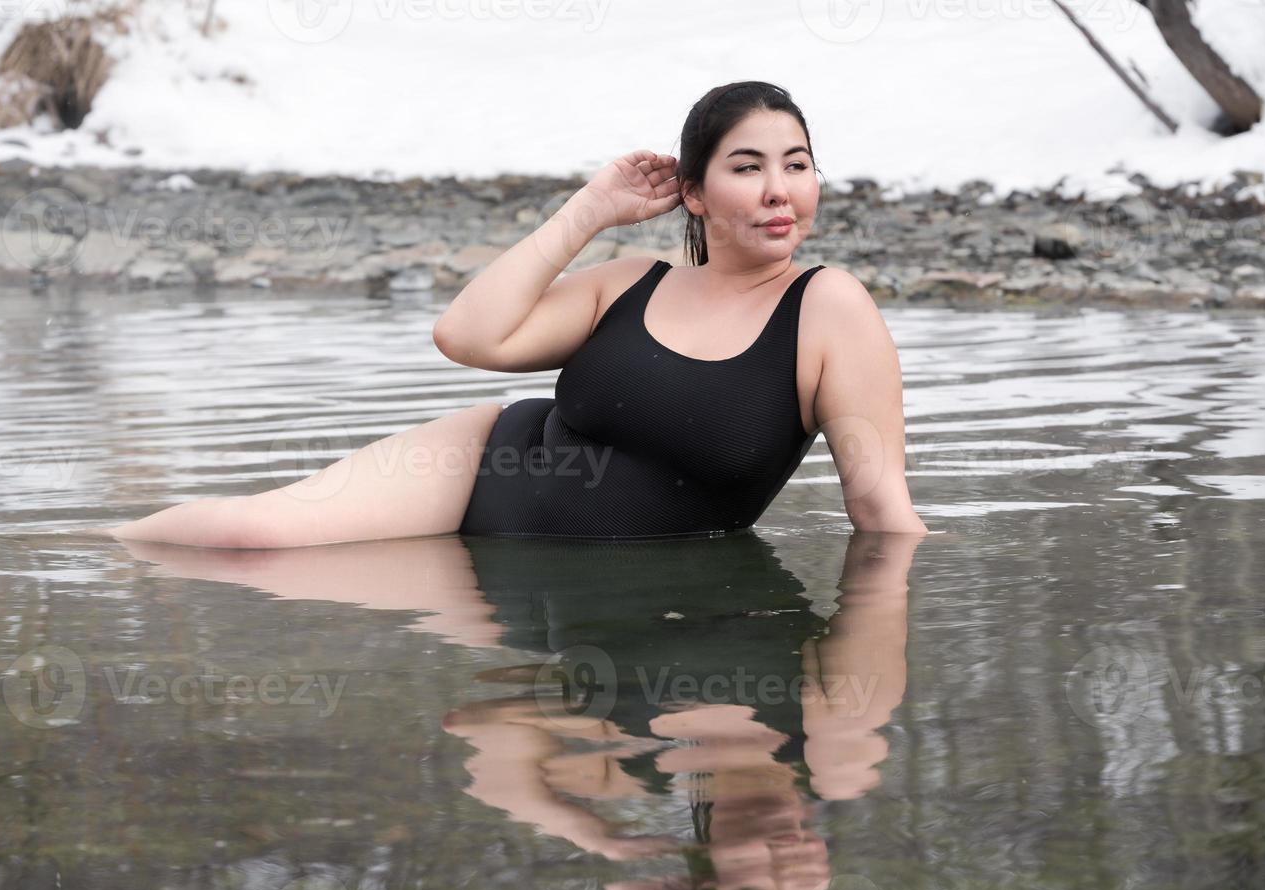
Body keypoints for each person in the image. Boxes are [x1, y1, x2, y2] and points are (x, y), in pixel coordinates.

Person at [106, 80, 926, 548]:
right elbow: (466, 336)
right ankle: (92, 551)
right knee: (251, 539)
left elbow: (880, 509)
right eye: (747, 167)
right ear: (694, 193)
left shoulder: (827, 309)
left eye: (798, 165)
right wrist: (589, 210)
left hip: (575, 600)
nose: (780, 189)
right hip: (478, 468)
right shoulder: (632, 280)